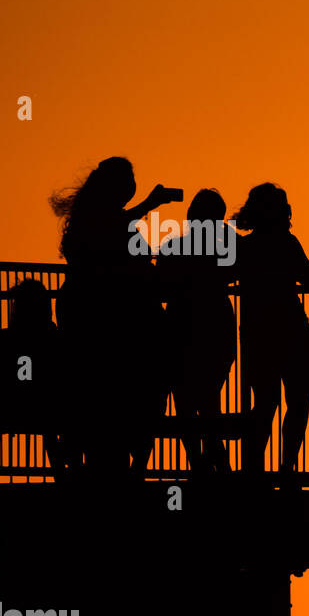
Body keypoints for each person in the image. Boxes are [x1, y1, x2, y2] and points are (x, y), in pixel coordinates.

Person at [49, 157, 180, 476]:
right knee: (126, 388)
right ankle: (125, 459)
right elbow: (120, 238)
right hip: (110, 318)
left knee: (96, 389)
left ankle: (90, 452)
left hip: (87, 312)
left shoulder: (91, 221)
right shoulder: (106, 223)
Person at [233, 183, 309, 479]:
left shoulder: (245, 247)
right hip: (291, 327)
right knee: (298, 398)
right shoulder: (288, 242)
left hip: (258, 329)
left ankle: (254, 466)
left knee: (265, 400)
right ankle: (287, 467)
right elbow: (308, 277)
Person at [158, 189, 238, 473]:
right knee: (209, 397)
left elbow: (160, 287)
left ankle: (199, 462)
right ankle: (215, 454)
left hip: (181, 325)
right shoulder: (229, 247)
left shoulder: (172, 246)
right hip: (216, 324)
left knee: (185, 401)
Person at [0, 279, 64, 486]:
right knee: (53, 436)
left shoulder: (4, 340)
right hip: (49, 411)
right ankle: (64, 483)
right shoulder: (56, 340)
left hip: (8, 410)